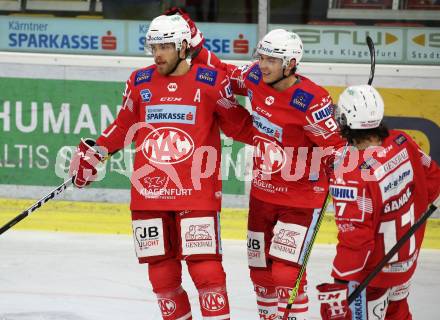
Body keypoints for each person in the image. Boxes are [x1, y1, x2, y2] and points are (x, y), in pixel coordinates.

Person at [69, 14, 253, 320]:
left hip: (196, 193)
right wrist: (96, 153)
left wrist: (287, 136)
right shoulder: (139, 80)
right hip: (148, 194)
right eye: (153, 46)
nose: (157, 54)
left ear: (183, 46)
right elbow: (123, 125)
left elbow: (240, 127)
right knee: (162, 277)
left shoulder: (212, 81)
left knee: (206, 272)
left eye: (165, 47)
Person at [167, 9, 347, 319]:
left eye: (271, 60)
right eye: (261, 57)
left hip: (301, 199)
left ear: (290, 64)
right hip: (263, 194)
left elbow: (337, 148)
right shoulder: (254, 77)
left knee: (285, 273)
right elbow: (221, 70)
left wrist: (338, 165)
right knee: (259, 267)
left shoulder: (311, 101)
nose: (262, 65)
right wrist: (191, 39)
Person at [316, 85, 440, 320]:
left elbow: (356, 241)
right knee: (398, 313)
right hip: (405, 263)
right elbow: (433, 182)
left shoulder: (350, 177)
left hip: (373, 275)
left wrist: (341, 282)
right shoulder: (402, 141)